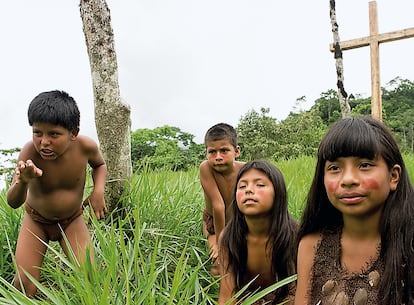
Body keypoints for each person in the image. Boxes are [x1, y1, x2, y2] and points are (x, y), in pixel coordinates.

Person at [295, 116, 414, 305]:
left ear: (393, 176)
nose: (348, 179)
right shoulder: (311, 246)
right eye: (334, 168)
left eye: (365, 165)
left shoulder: (409, 242)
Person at [6, 90, 107, 297]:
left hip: (72, 221)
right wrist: (23, 182)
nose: (44, 142)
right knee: (25, 284)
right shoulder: (29, 153)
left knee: (90, 278)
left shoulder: (85, 147)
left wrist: (98, 191)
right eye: (37, 133)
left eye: (53, 134)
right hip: (36, 222)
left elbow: (100, 164)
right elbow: (12, 202)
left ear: (73, 132)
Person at [218, 160, 297, 305]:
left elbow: (304, 293)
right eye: (242, 186)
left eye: (260, 185)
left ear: (278, 193)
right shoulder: (228, 238)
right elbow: (227, 296)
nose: (248, 190)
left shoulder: (295, 236)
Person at [199, 123, 245, 275]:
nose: (218, 157)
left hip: (237, 223)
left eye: (224, 150)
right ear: (206, 153)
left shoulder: (245, 169)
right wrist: (220, 244)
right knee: (217, 261)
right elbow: (218, 207)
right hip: (213, 224)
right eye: (212, 152)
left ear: (236, 151)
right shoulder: (206, 168)